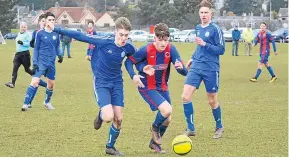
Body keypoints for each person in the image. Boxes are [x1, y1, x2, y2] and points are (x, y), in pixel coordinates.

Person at [49, 17, 135, 156]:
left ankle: (110, 147)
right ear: (115, 32)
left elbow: (134, 59)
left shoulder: (129, 47)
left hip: (117, 83)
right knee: (108, 117)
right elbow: (80, 35)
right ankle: (101, 116)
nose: (123, 38)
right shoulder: (103, 41)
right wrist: (57, 29)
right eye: (121, 35)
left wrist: (138, 72)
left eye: (126, 35)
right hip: (101, 82)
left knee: (118, 119)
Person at [124, 23, 188, 153]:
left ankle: (154, 143)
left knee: (168, 118)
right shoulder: (146, 49)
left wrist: (181, 68)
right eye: (160, 40)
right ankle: (154, 128)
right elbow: (129, 61)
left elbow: (185, 72)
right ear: (155, 38)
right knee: (167, 110)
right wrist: (134, 75)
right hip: (147, 86)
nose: (163, 43)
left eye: (166, 40)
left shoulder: (171, 49)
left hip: (162, 87)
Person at [181, 0, 225, 139]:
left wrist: (205, 44)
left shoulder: (215, 29)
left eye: (206, 12)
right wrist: (192, 58)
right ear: (199, 14)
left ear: (211, 13)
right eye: (201, 12)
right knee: (185, 96)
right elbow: (199, 47)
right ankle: (191, 128)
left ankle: (219, 127)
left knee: (212, 100)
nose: (204, 15)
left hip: (211, 68)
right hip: (197, 66)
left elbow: (221, 49)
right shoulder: (198, 28)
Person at [21, 12, 63, 111]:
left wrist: (60, 55)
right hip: (41, 63)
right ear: (46, 21)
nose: (52, 22)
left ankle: (47, 102)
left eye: (53, 20)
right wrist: (35, 62)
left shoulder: (56, 34)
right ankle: (25, 104)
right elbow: (35, 49)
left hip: (51, 63)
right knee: (35, 81)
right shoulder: (40, 33)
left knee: (51, 84)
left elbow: (57, 46)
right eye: (50, 20)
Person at [5, 21, 46, 89]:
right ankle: (12, 83)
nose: (23, 28)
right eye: (22, 27)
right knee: (15, 68)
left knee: (27, 69)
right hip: (18, 55)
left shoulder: (28, 35)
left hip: (25, 54)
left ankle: (38, 79)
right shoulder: (19, 34)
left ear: (26, 27)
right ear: (20, 27)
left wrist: (23, 43)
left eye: (24, 27)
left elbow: (30, 44)